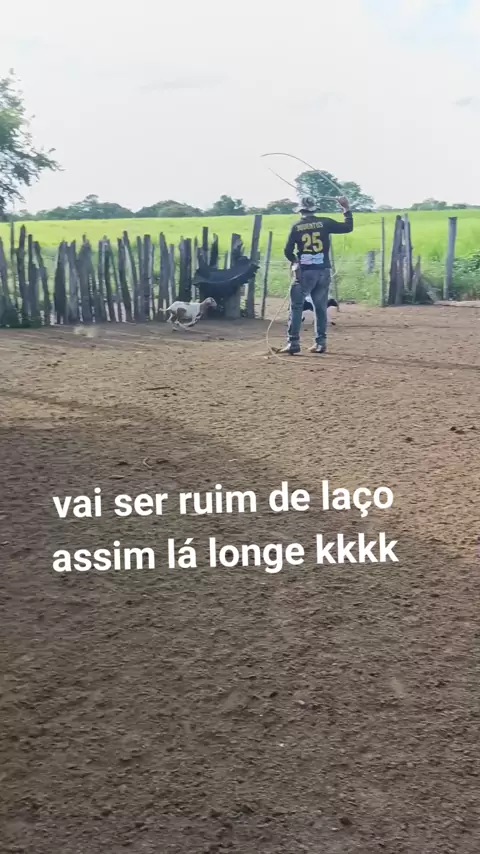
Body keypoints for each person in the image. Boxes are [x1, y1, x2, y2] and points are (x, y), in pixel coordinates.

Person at [281, 195, 353, 354]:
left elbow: (287, 251)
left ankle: (293, 342)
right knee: (320, 307)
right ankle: (320, 342)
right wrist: (345, 208)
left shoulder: (296, 227)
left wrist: (294, 262)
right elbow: (348, 227)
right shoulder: (325, 222)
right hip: (323, 271)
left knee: (296, 307)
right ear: (314, 209)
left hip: (305, 272)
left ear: (300, 210)